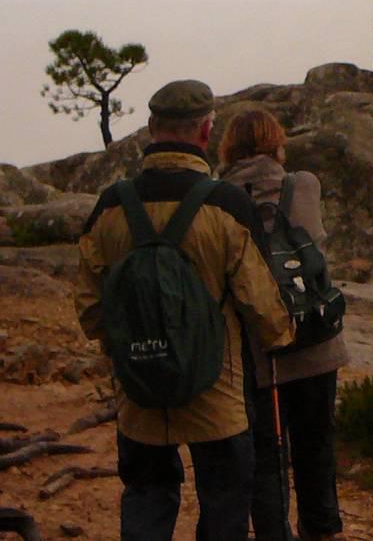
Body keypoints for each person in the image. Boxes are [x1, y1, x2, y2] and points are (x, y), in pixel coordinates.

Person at [77, 79, 294, 541]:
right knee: (223, 500)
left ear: (152, 127)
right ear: (205, 131)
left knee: (147, 494)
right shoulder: (227, 205)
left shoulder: (111, 206)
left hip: (139, 388)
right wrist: (283, 337)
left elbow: (92, 308)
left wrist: (127, 346)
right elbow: (261, 304)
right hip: (217, 393)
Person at [217, 108, 349, 541]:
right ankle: (323, 530)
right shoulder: (304, 185)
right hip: (314, 340)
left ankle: (275, 533)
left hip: (257, 350)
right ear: (275, 143)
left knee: (267, 453)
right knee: (317, 446)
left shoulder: (217, 196)